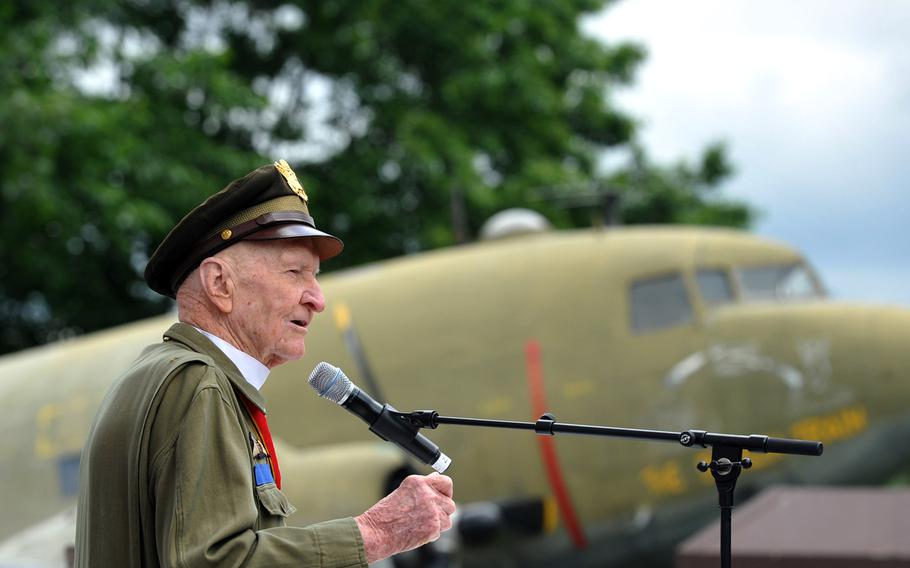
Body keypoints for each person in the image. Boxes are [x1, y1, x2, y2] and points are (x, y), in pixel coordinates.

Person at [75, 160, 456, 567]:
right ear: (220, 284)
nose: (317, 299)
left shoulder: (165, 374)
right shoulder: (200, 384)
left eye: (315, 277)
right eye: (295, 273)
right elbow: (216, 562)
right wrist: (375, 533)